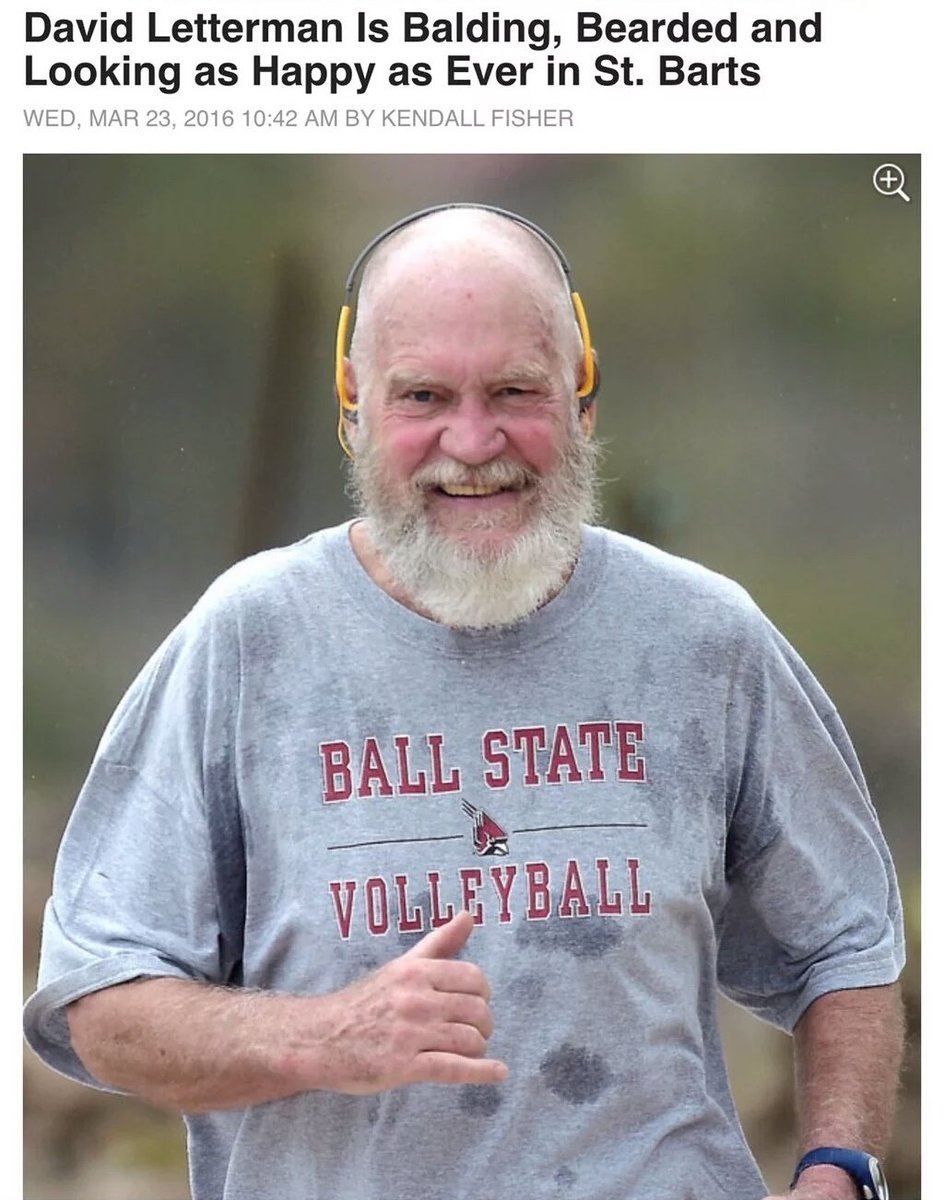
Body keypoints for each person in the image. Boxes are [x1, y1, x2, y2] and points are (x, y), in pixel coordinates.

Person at [25, 203, 905, 1200]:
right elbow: (101, 1004)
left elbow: (845, 939)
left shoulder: (706, 642)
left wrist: (840, 1167)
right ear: (352, 407)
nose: (473, 440)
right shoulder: (249, 644)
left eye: (515, 391)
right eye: (425, 397)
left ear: (582, 399)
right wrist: (325, 1036)